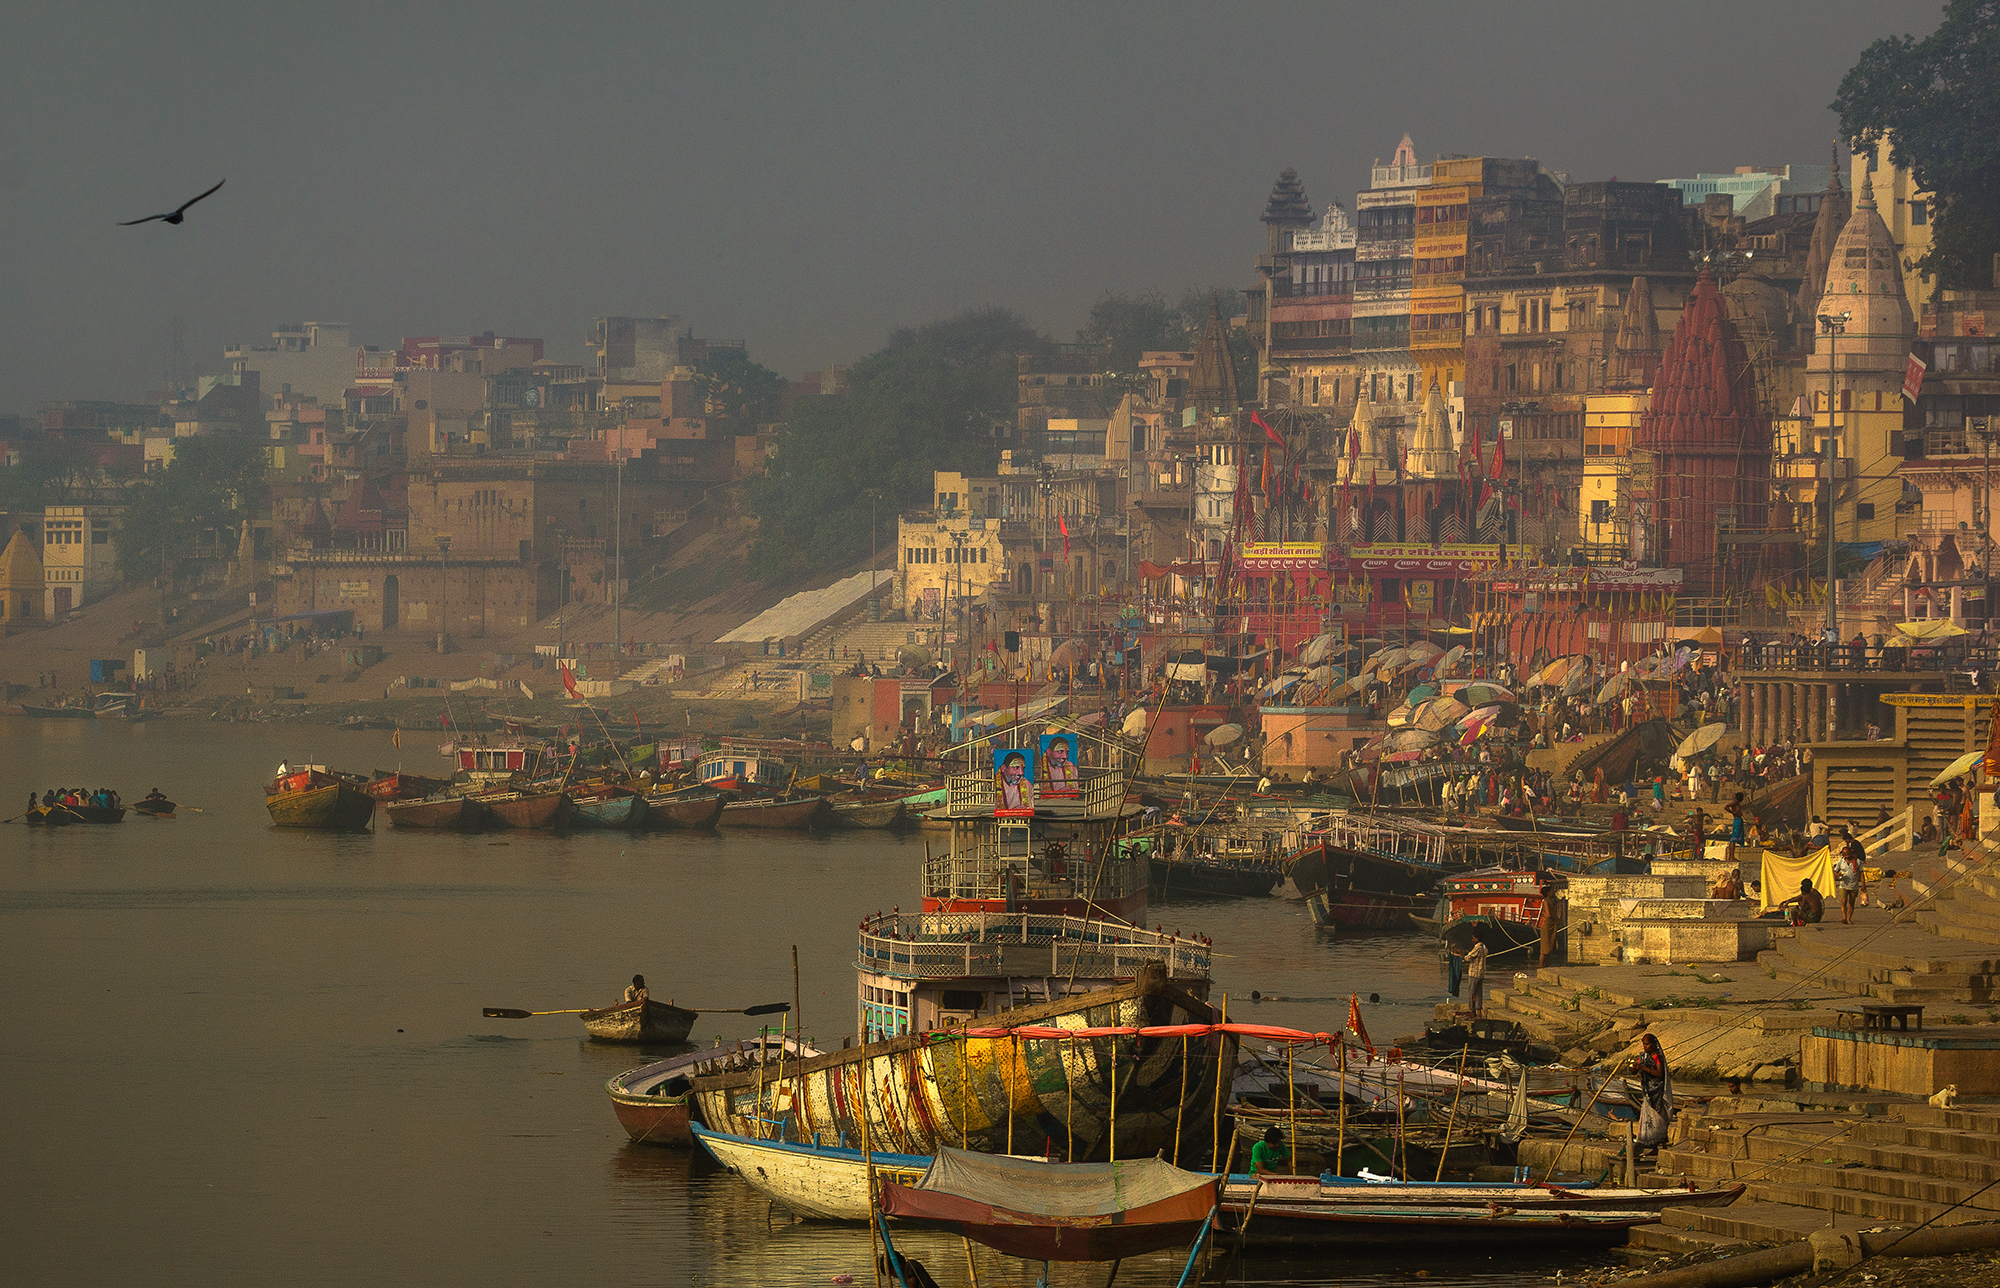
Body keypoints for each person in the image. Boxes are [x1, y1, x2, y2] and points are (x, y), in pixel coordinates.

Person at [1635, 1033, 1673, 1155]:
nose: (1645, 1047)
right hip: (1647, 1091)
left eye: (1647, 1044)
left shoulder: (1657, 1056)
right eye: (1644, 1044)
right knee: (1648, 1117)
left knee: (1659, 1117)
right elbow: (1637, 1069)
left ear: (1652, 1044)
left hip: (1657, 1091)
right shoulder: (1643, 1056)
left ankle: (1662, 1144)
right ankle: (1653, 1147)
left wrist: (1643, 1068)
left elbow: (1659, 1073)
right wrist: (1635, 1068)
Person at [1834, 831, 1867, 925]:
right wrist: (1838, 875)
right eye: (1845, 854)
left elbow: (1861, 874)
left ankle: (1849, 918)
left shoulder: (1857, 862)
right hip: (1843, 884)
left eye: (1848, 854)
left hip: (1854, 885)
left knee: (1851, 902)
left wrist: (1863, 885)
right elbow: (1835, 871)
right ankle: (1844, 917)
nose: (1847, 855)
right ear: (1843, 855)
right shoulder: (1841, 862)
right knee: (1844, 901)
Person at [1461, 939, 1489, 1018]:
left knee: (1472, 992)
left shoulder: (1477, 948)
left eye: (1473, 938)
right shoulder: (1484, 947)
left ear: (1477, 939)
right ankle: (1478, 1011)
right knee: (1479, 993)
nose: (1472, 940)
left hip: (1474, 973)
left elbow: (1468, 958)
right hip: (1481, 973)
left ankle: (1472, 1011)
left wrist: (1462, 955)